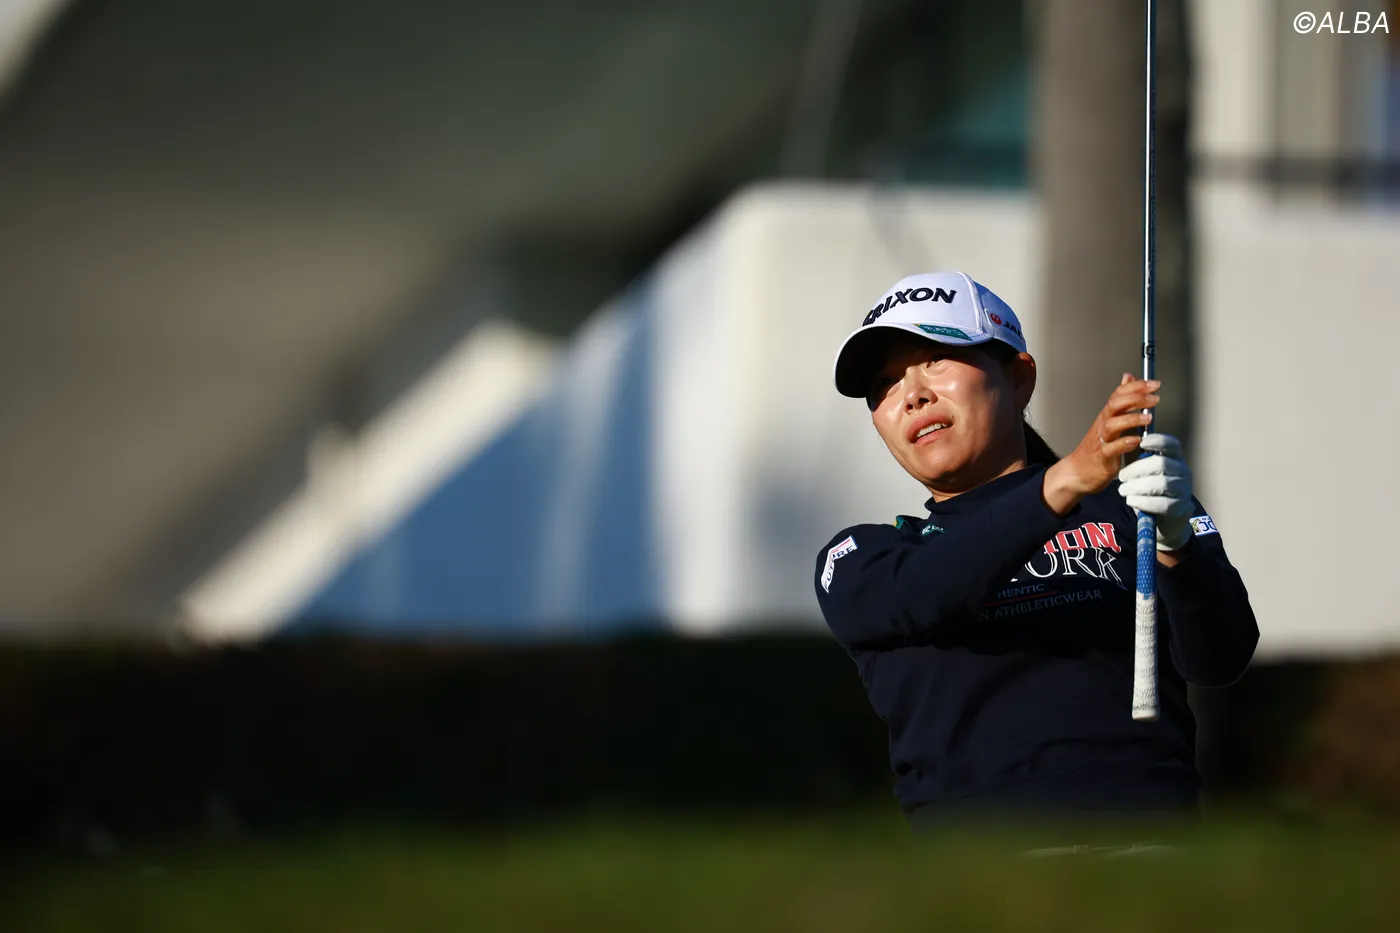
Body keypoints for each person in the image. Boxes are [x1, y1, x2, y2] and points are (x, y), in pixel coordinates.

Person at [814, 271, 1257, 832]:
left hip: (1147, 852)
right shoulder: (863, 556)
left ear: (1019, 378)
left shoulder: (1135, 507)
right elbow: (928, 593)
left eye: (936, 359)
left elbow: (1220, 659)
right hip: (974, 868)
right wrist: (1067, 480)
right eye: (885, 383)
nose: (912, 395)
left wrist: (1177, 549)